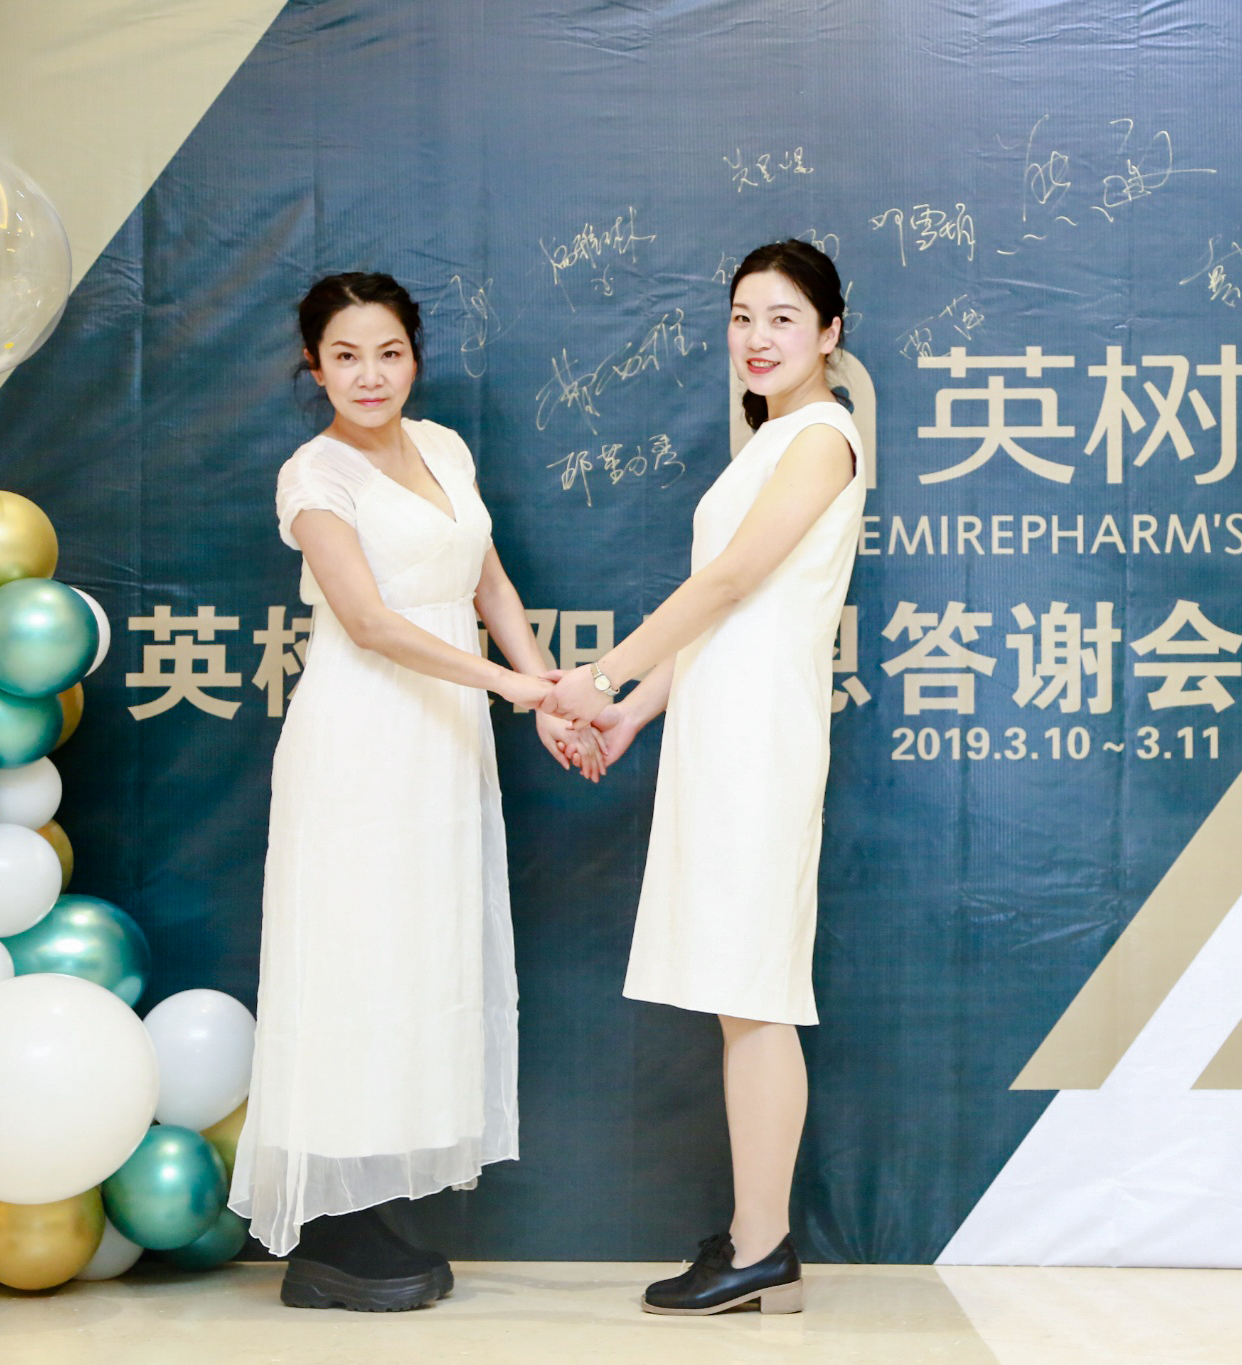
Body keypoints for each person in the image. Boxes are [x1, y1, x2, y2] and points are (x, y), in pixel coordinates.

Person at [233, 272, 577, 1312]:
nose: (370, 375)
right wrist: (512, 686)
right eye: (345, 356)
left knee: (422, 960)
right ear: (314, 366)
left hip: (445, 742)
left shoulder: (443, 447)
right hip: (362, 740)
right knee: (355, 963)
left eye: (387, 352)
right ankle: (327, 1228)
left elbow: (488, 581)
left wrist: (545, 691)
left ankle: (367, 1204)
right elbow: (372, 621)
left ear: (414, 355)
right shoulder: (313, 475)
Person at [543, 239, 865, 1316]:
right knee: (738, 994)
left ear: (829, 332)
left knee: (755, 993)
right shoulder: (768, 443)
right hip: (718, 731)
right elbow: (722, 614)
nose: (756, 339)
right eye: (741, 317)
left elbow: (729, 582)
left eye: (782, 318)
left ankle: (764, 1247)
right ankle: (755, 1240)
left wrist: (598, 676)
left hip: (760, 738)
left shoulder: (821, 439)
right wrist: (631, 711)